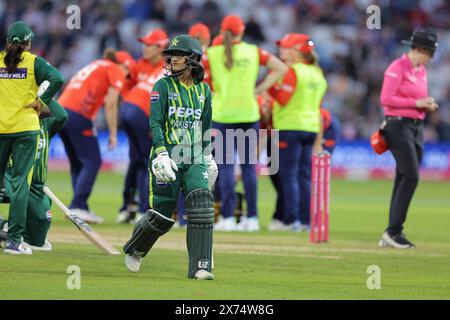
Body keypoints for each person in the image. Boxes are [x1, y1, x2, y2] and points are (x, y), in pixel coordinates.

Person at [123, 35, 218, 280]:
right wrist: (161, 152)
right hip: (167, 155)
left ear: (194, 59)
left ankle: (201, 266)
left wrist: (207, 155)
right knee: (163, 215)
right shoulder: (162, 86)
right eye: (171, 54)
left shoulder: (204, 90)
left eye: (179, 54)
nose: (172, 59)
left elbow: (205, 125)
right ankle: (136, 248)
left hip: (194, 156)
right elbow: (155, 123)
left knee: (202, 207)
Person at [205, 15, 288, 232]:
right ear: (241, 32)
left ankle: (228, 218)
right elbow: (281, 68)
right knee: (249, 168)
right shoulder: (254, 51)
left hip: (222, 115)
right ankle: (252, 218)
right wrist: (260, 89)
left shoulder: (212, 53)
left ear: (222, 32)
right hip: (249, 114)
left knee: (225, 168)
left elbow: (200, 79)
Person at [0, 21, 64, 254]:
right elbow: (58, 78)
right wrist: (42, 101)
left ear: (8, 42)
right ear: (28, 43)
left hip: (1, 129)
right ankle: (14, 241)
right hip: (25, 130)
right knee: (19, 186)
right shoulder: (34, 61)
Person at [378, 28, 439, 249]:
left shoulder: (420, 69)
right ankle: (394, 231)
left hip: (416, 126)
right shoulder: (397, 67)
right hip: (397, 125)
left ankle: (391, 231)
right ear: (419, 49)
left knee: (404, 177)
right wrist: (417, 103)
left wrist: (426, 104)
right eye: (429, 53)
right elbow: (386, 98)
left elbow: (416, 98)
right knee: (411, 176)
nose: (430, 58)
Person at [58, 49, 133, 224]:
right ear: (124, 66)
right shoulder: (115, 69)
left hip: (61, 112)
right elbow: (111, 103)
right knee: (93, 161)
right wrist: (113, 133)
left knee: (79, 162)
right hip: (78, 114)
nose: (125, 78)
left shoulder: (96, 64)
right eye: (127, 73)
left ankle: (79, 206)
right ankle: (78, 206)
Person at [267, 33, 327, 231]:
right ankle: (305, 221)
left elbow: (283, 99)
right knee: (303, 176)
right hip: (310, 129)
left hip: (290, 127)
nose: (281, 50)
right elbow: (318, 109)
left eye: (285, 47)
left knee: (289, 176)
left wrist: (267, 88)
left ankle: (290, 220)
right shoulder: (317, 74)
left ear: (297, 51)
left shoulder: (292, 71)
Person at [116, 29, 169, 224]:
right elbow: (126, 85)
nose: (144, 48)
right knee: (147, 163)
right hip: (140, 114)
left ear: (160, 47)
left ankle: (128, 209)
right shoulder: (142, 65)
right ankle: (139, 209)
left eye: (148, 44)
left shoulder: (159, 66)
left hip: (131, 113)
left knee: (137, 163)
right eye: (144, 44)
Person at [2, 100, 68, 251]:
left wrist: (46, 96)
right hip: (14, 179)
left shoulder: (47, 126)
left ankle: (7, 231)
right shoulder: (13, 125)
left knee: (38, 238)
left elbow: (62, 115)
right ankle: (4, 226)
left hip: (37, 188)